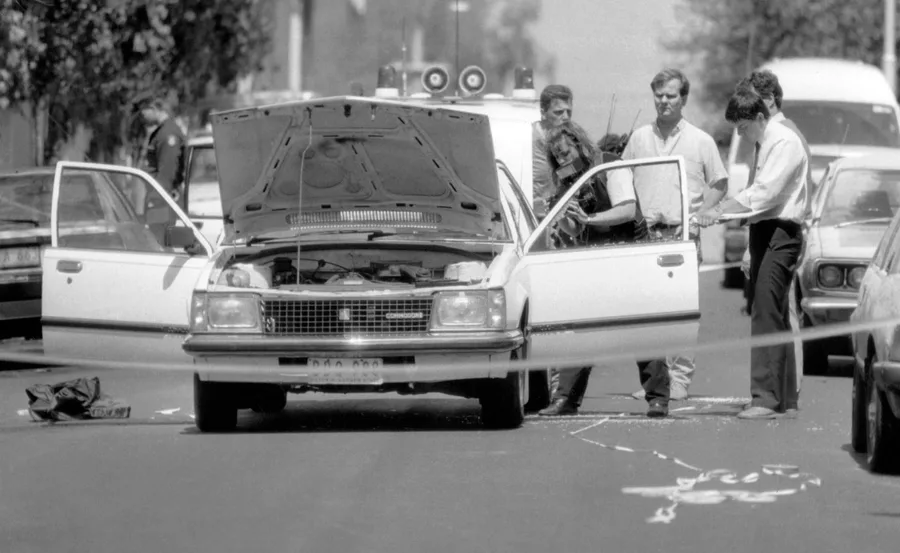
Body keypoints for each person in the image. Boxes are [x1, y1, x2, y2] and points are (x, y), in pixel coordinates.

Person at [536, 121, 668, 418]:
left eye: (565, 152)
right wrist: (564, 216)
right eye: (556, 157)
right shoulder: (568, 180)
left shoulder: (609, 165)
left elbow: (626, 209)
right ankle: (566, 399)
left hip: (629, 253)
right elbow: (572, 229)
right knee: (582, 328)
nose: (563, 160)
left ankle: (658, 397)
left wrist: (589, 219)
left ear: (579, 143)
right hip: (594, 257)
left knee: (643, 326)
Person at [694, 86, 809, 420]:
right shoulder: (768, 142)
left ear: (760, 117)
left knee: (766, 313)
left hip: (779, 233)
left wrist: (719, 211)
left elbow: (766, 193)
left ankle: (766, 398)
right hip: (765, 231)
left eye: (743, 127)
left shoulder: (784, 142)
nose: (741, 135)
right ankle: (782, 396)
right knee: (769, 312)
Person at [622, 68, 729, 401]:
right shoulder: (639, 138)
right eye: (659, 95)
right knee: (648, 312)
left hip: (682, 237)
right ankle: (655, 382)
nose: (664, 101)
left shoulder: (701, 141)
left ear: (683, 98)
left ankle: (679, 380)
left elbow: (720, 183)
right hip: (645, 237)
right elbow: (621, 179)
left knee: (680, 311)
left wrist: (700, 215)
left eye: (671, 95)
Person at [533, 85, 573, 220]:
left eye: (569, 112)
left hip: (559, 218)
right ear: (543, 112)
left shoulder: (567, 139)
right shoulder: (527, 138)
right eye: (559, 112)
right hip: (531, 218)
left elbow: (566, 173)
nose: (566, 117)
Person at [140, 97, 187, 205]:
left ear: (153, 108)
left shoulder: (167, 133)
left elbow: (167, 171)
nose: (143, 116)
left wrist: (157, 198)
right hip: (161, 196)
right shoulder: (162, 131)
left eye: (144, 112)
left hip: (164, 200)